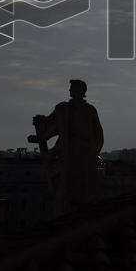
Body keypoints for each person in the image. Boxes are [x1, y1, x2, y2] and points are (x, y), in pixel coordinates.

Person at [32, 79, 104, 215]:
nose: (70, 90)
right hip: (69, 148)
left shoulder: (90, 110)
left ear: (82, 91)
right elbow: (49, 123)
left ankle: (83, 207)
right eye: (70, 88)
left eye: (73, 88)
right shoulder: (62, 108)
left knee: (85, 183)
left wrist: (93, 151)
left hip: (86, 150)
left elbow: (98, 134)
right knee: (68, 180)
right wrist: (40, 122)